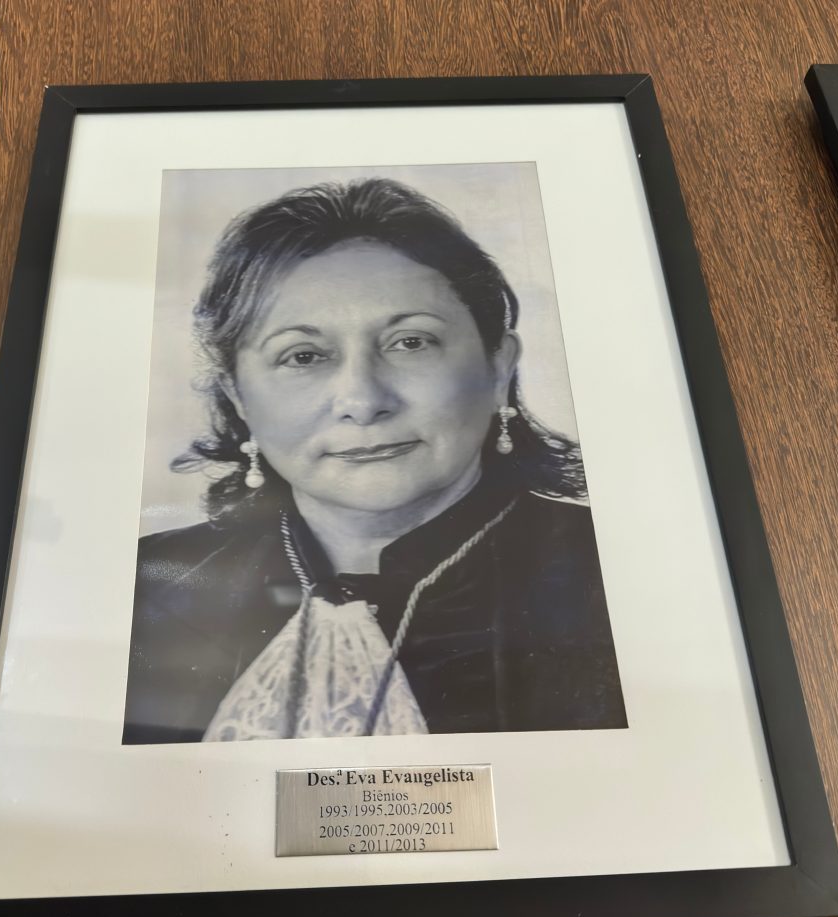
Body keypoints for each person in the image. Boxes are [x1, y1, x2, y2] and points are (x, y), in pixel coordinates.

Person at [123, 177, 626, 743]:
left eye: (411, 342)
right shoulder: (144, 588)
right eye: (303, 355)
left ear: (499, 368)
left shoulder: (622, 578)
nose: (363, 401)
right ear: (238, 396)